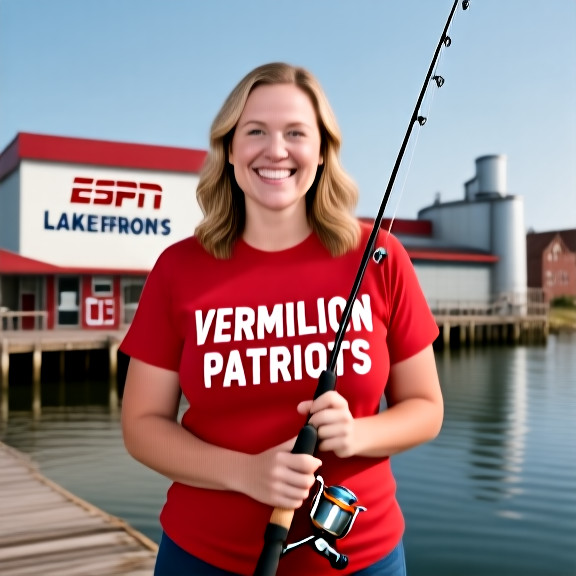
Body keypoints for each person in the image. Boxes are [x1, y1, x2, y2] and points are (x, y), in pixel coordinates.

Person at [120, 62, 443, 576]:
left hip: (362, 560)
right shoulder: (178, 268)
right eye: (255, 132)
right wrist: (245, 473)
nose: (276, 150)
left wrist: (359, 434)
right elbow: (140, 426)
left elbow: (426, 407)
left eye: (296, 133)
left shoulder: (381, 257)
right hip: (203, 559)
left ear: (321, 151)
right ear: (229, 149)